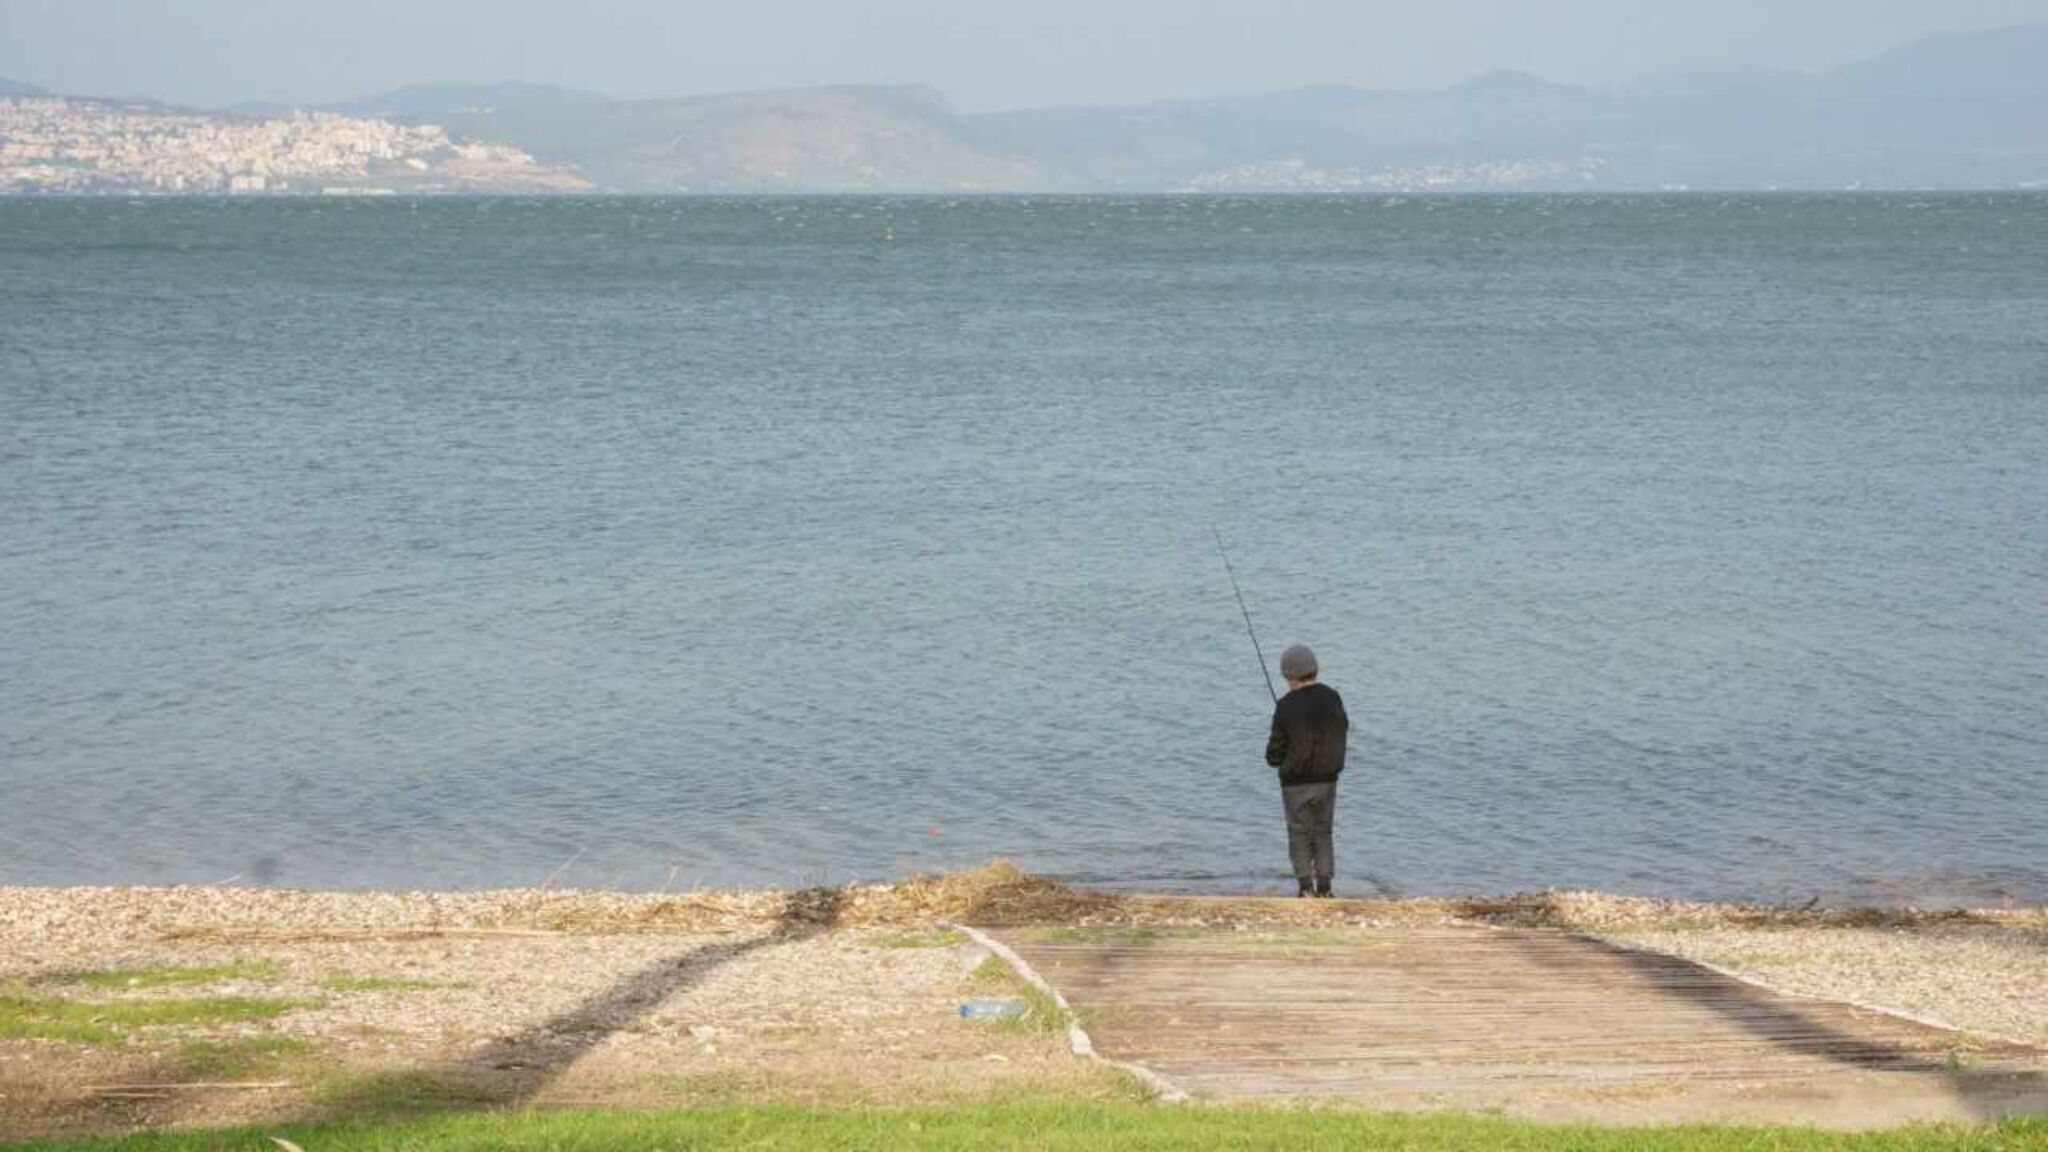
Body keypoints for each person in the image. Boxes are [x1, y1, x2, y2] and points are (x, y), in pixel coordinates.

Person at [1264, 644, 1347, 898]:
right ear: (1315, 669)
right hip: (1327, 779)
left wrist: (1278, 758)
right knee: (1323, 831)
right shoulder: (1333, 697)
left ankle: (1304, 888)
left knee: (1299, 833)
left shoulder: (1285, 706)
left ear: (1289, 676)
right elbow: (1342, 729)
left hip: (1295, 783)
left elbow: (1274, 754)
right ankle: (1325, 887)